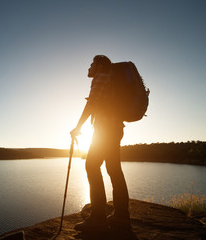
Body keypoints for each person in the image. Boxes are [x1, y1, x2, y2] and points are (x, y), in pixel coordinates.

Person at [70, 55, 130, 232]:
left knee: (91, 166)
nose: (89, 67)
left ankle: (98, 218)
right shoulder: (111, 78)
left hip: (105, 129)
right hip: (115, 127)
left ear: (100, 65)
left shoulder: (101, 76)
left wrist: (77, 127)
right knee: (114, 169)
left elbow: (93, 103)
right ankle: (121, 217)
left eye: (91, 64)